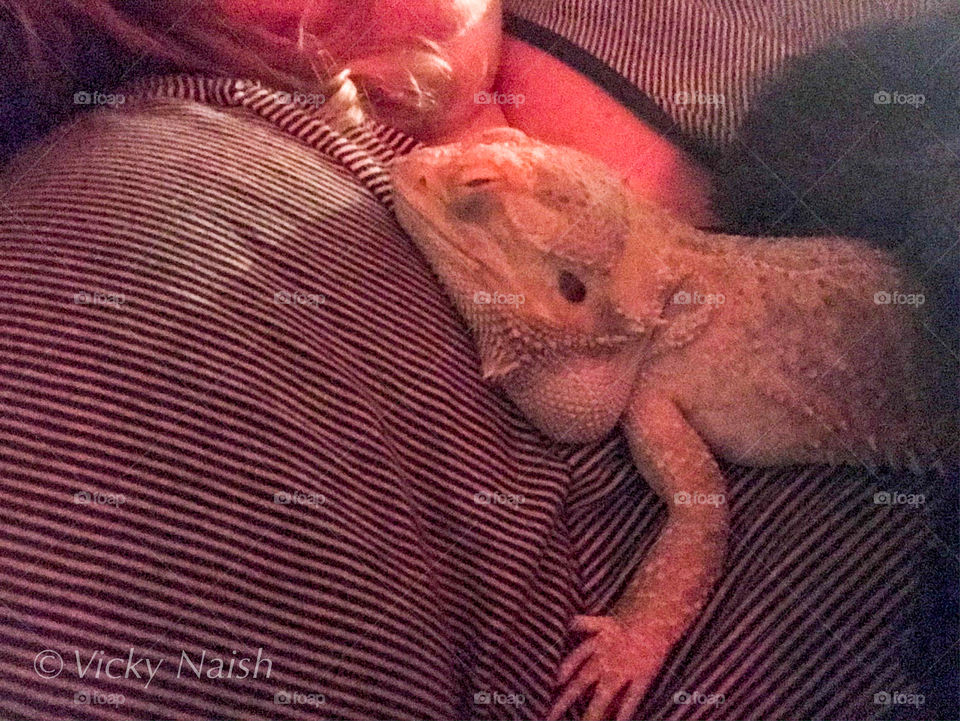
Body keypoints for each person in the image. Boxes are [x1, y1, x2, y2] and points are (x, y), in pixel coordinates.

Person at [0, 1, 954, 719]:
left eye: (489, 166)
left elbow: (698, 507)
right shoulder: (132, 243)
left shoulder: (646, 326)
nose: (435, 174)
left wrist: (640, 635)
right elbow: (696, 513)